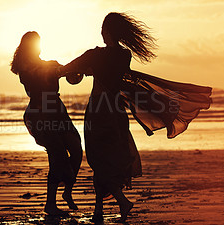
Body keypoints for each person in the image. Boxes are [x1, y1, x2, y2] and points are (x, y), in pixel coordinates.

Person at [58, 13, 157, 222]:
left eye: (103, 30)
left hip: (98, 113)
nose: (101, 34)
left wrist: (58, 71)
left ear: (108, 32)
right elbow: (115, 80)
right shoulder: (124, 55)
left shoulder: (95, 55)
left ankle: (122, 201)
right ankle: (98, 210)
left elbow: (67, 70)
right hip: (117, 113)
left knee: (98, 161)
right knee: (108, 161)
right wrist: (91, 70)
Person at [10, 31, 83, 216]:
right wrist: (56, 69)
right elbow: (35, 76)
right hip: (40, 114)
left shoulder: (49, 64)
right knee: (57, 156)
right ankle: (50, 204)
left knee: (76, 148)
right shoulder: (25, 69)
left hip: (58, 111)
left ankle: (67, 190)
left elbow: (71, 78)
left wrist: (74, 72)